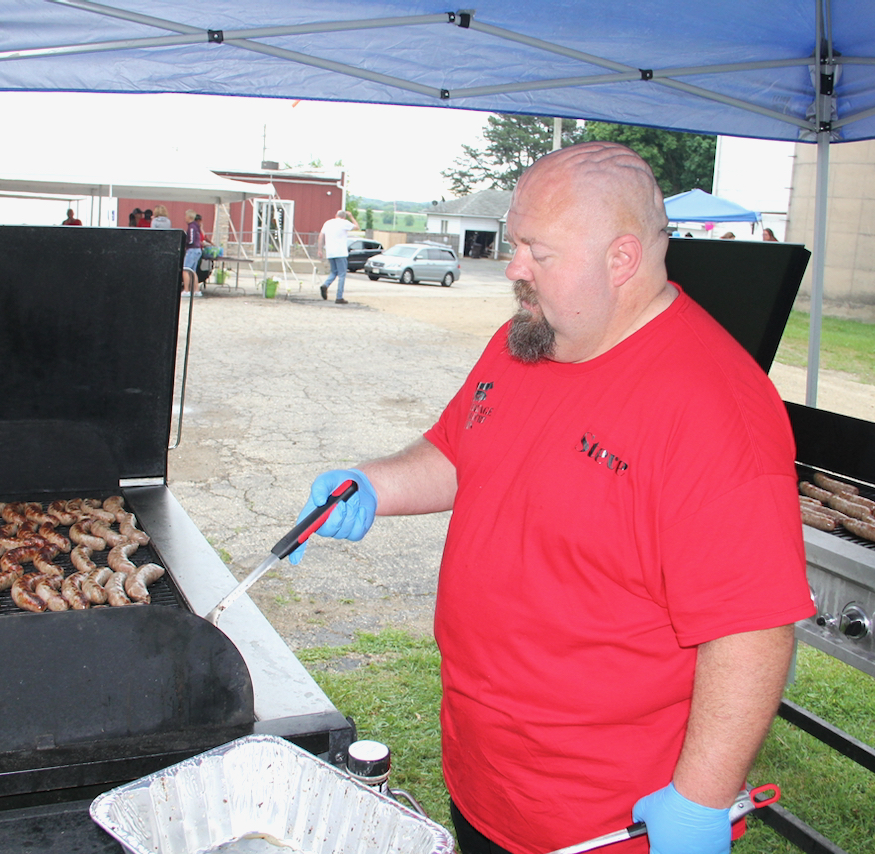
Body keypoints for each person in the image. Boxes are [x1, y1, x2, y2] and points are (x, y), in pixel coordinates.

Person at [291, 141, 812, 854]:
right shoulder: (530, 340)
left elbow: (751, 631)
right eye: (514, 243)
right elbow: (457, 449)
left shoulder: (715, 406)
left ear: (621, 260)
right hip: (486, 781)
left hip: (607, 823)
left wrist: (700, 800)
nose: (513, 268)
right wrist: (372, 483)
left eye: (538, 251)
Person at [317, 209, 358, 303]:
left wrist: (320, 249)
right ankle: (339, 297)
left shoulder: (328, 223)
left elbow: (321, 236)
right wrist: (351, 216)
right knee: (342, 274)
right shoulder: (344, 223)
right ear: (344, 217)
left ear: (336, 215)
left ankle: (325, 285)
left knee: (333, 272)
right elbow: (357, 227)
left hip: (330, 252)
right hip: (341, 252)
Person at [182, 208, 208, 294]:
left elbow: (191, 240)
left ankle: (186, 290)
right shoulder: (196, 226)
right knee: (193, 271)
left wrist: (186, 243)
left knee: (185, 270)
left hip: (192, 249)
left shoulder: (191, 227)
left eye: (186, 216)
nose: (185, 218)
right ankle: (196, 290)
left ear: (189, 217)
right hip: (197, 249)